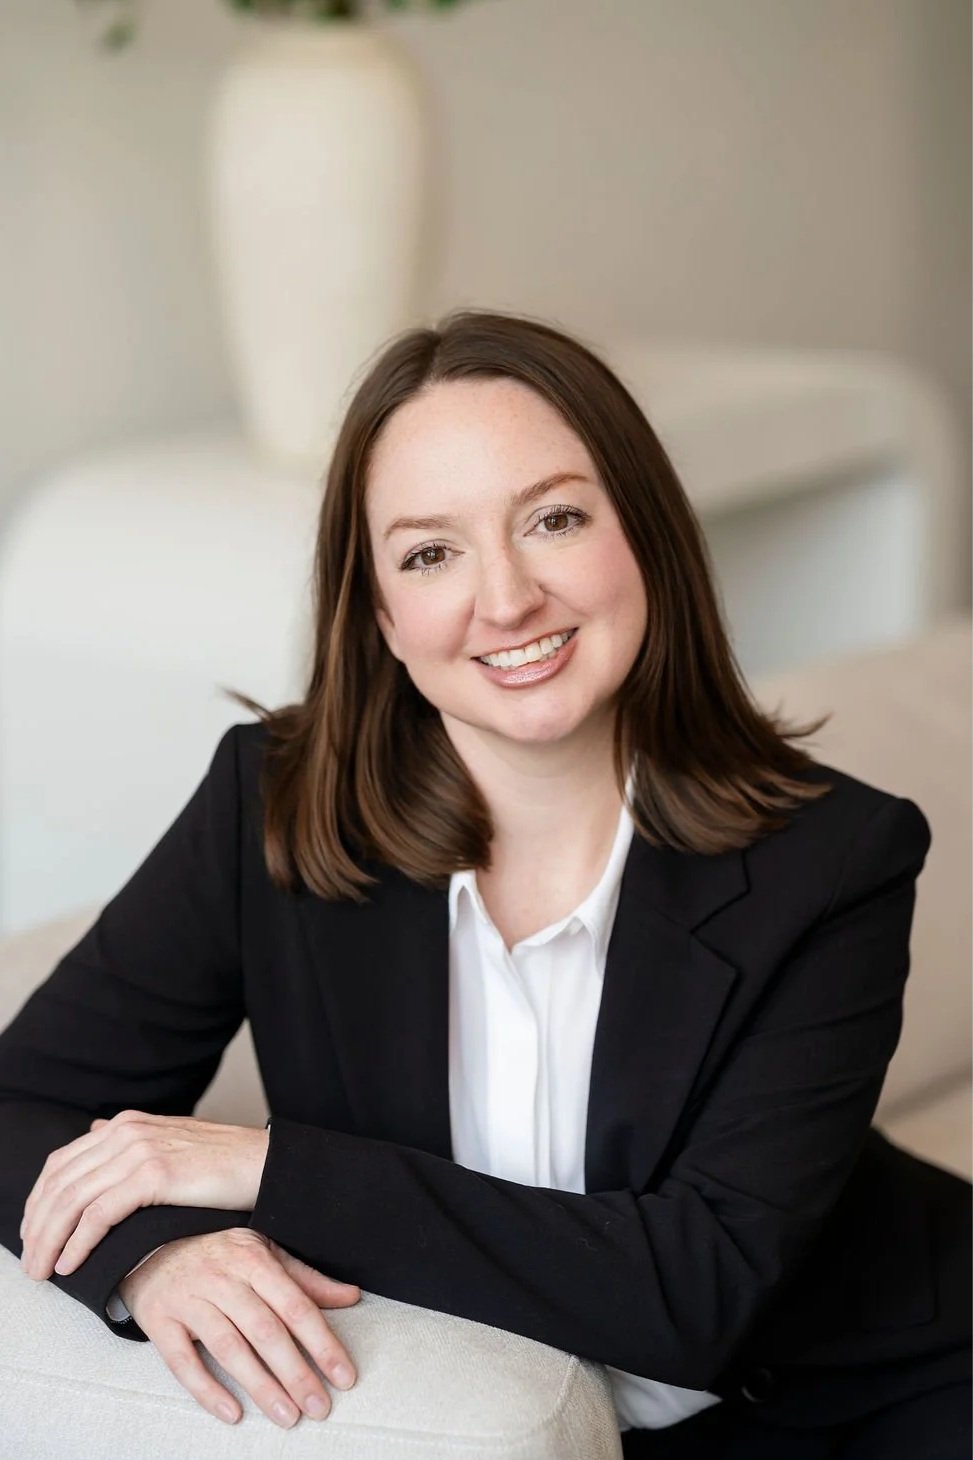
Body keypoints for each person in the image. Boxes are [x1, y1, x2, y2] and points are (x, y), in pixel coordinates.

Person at [0, 308, 969, 1456]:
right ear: (379, 610)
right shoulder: (272, 801)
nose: (504, 599)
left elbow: (691, 1292)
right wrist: (152, 1249)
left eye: (553, 518)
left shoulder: (835, 858)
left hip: (871, 1389)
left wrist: (264, 1166)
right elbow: (20, 1101)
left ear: (644, 537)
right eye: (430, 552)